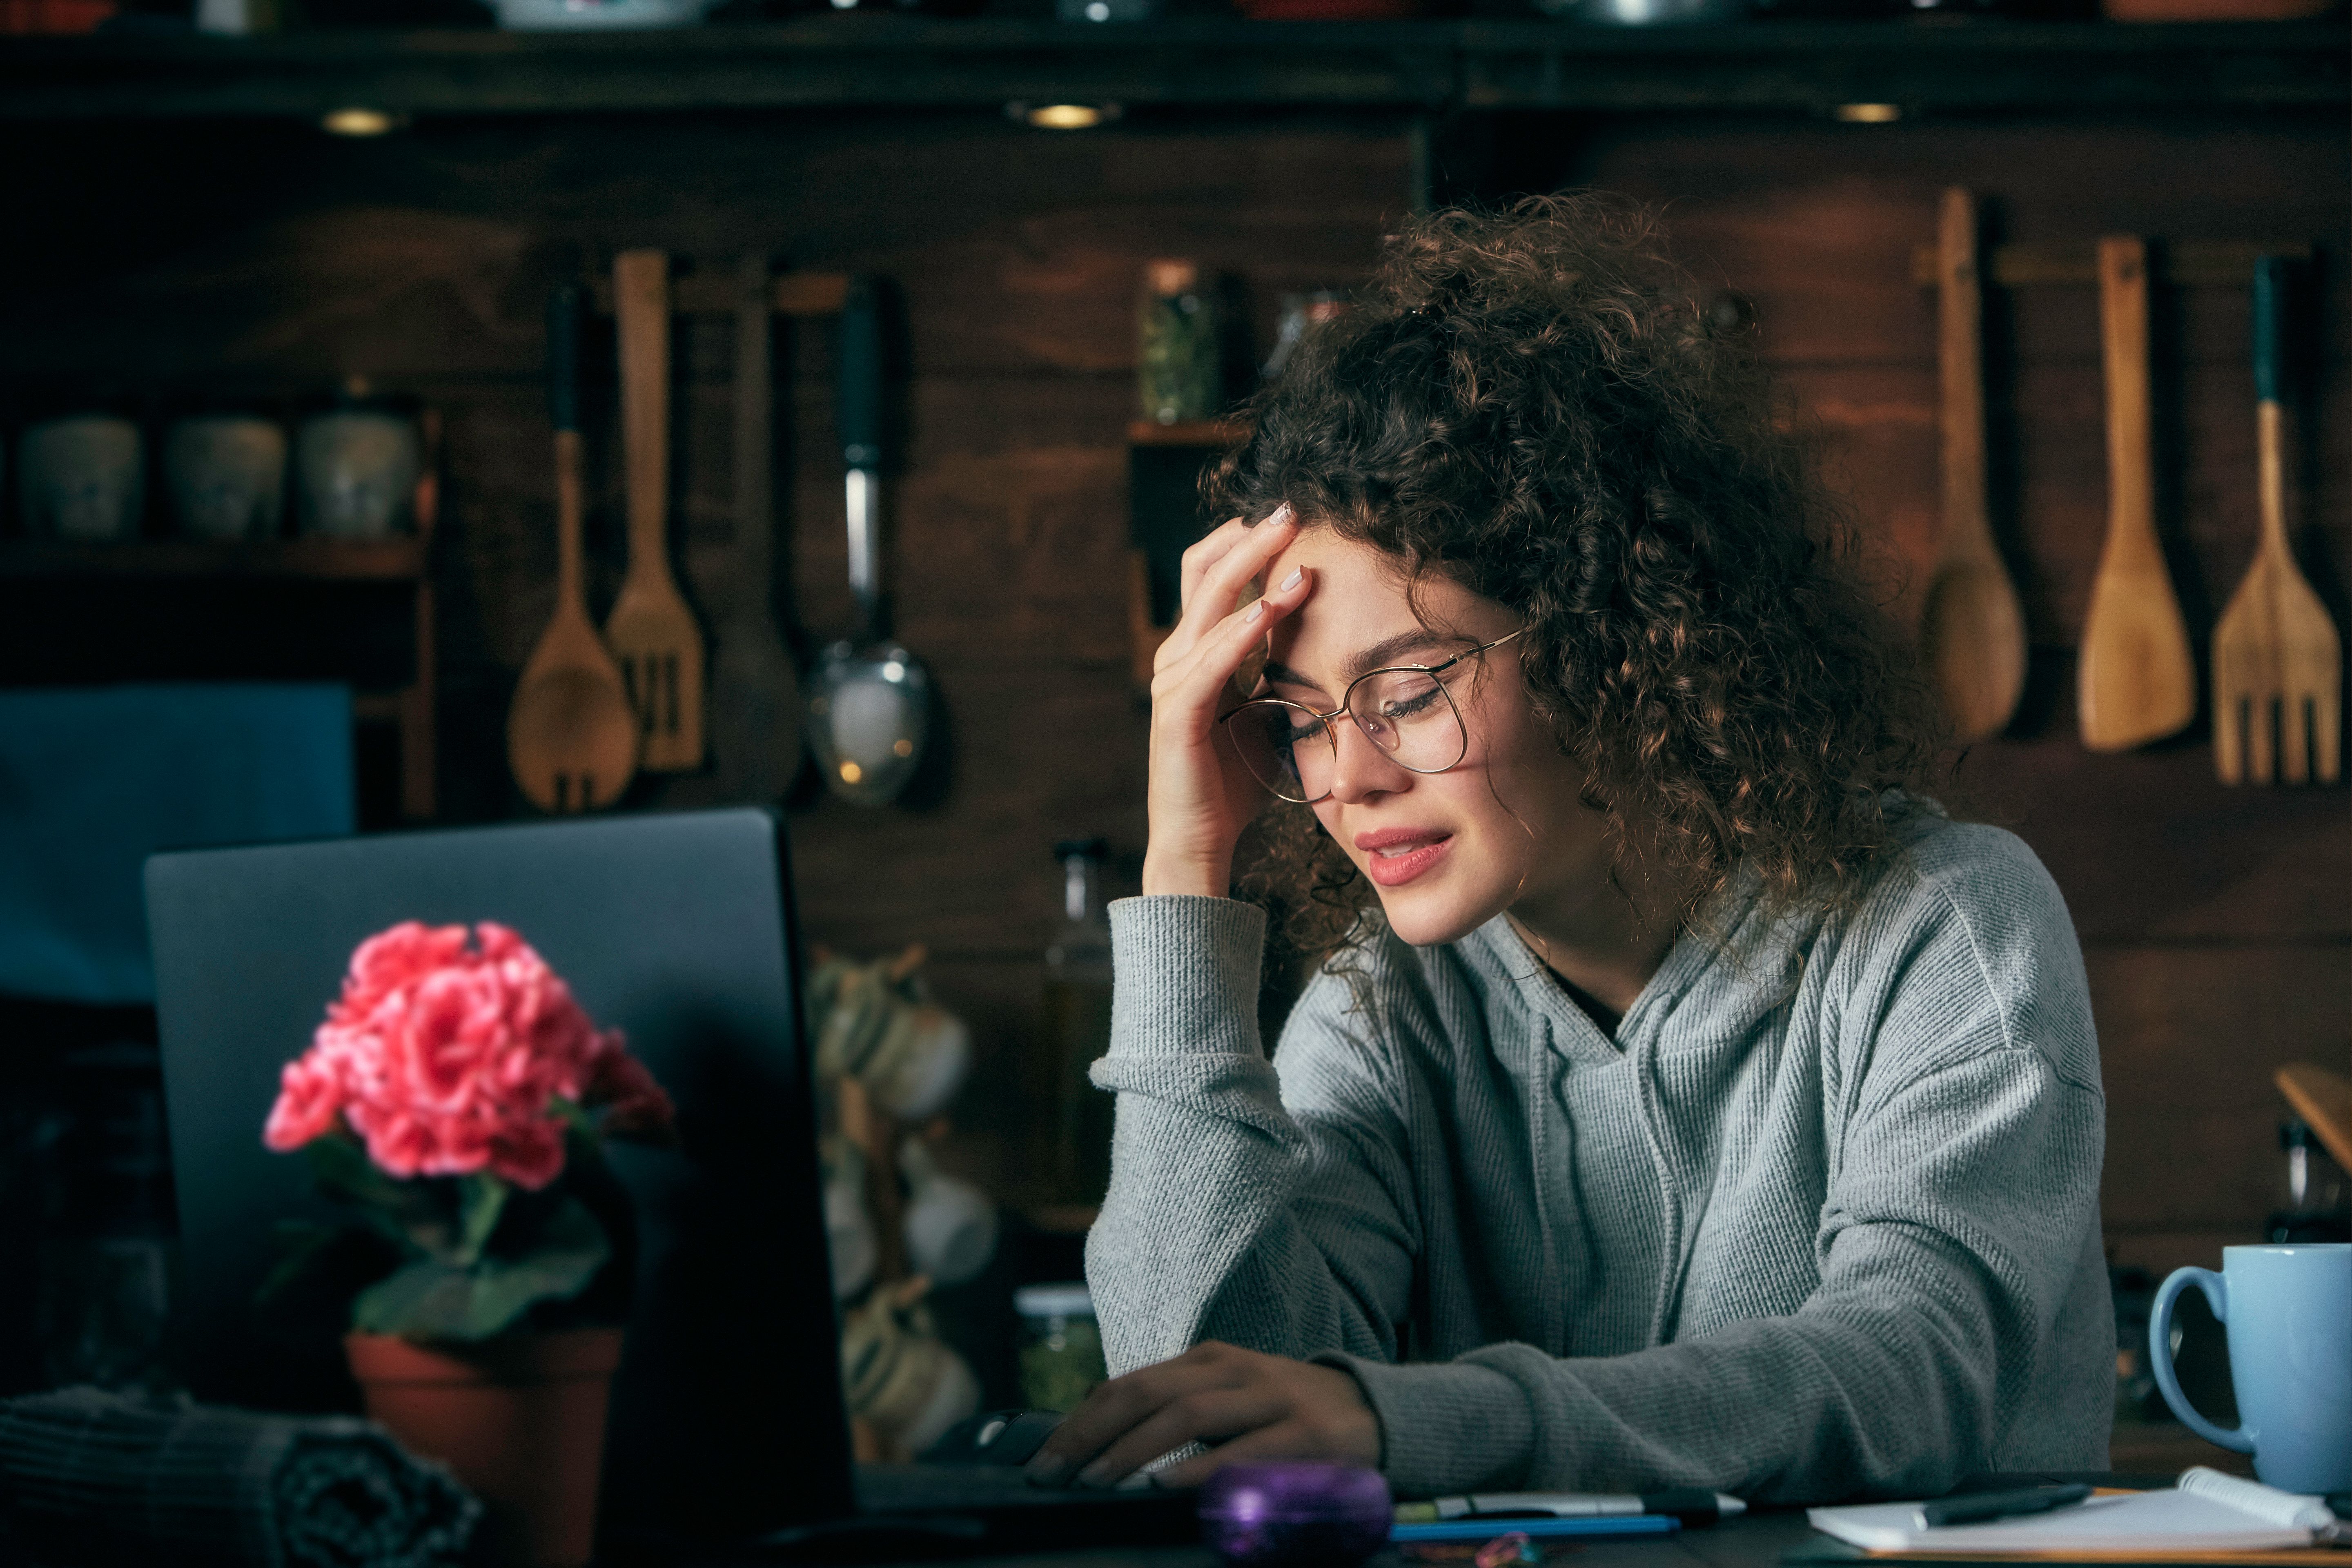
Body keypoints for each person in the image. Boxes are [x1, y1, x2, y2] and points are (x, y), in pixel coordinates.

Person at [1025, 196, 2111, 1503]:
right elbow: (1200, 1420)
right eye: (1301, 722)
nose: (1347, 779)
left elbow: (1913, 1379)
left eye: (1412, 690)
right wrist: (1184, 865)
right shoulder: (1389, 1009)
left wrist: (1432, 1421)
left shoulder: (1948, 925)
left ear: (1613, 644)